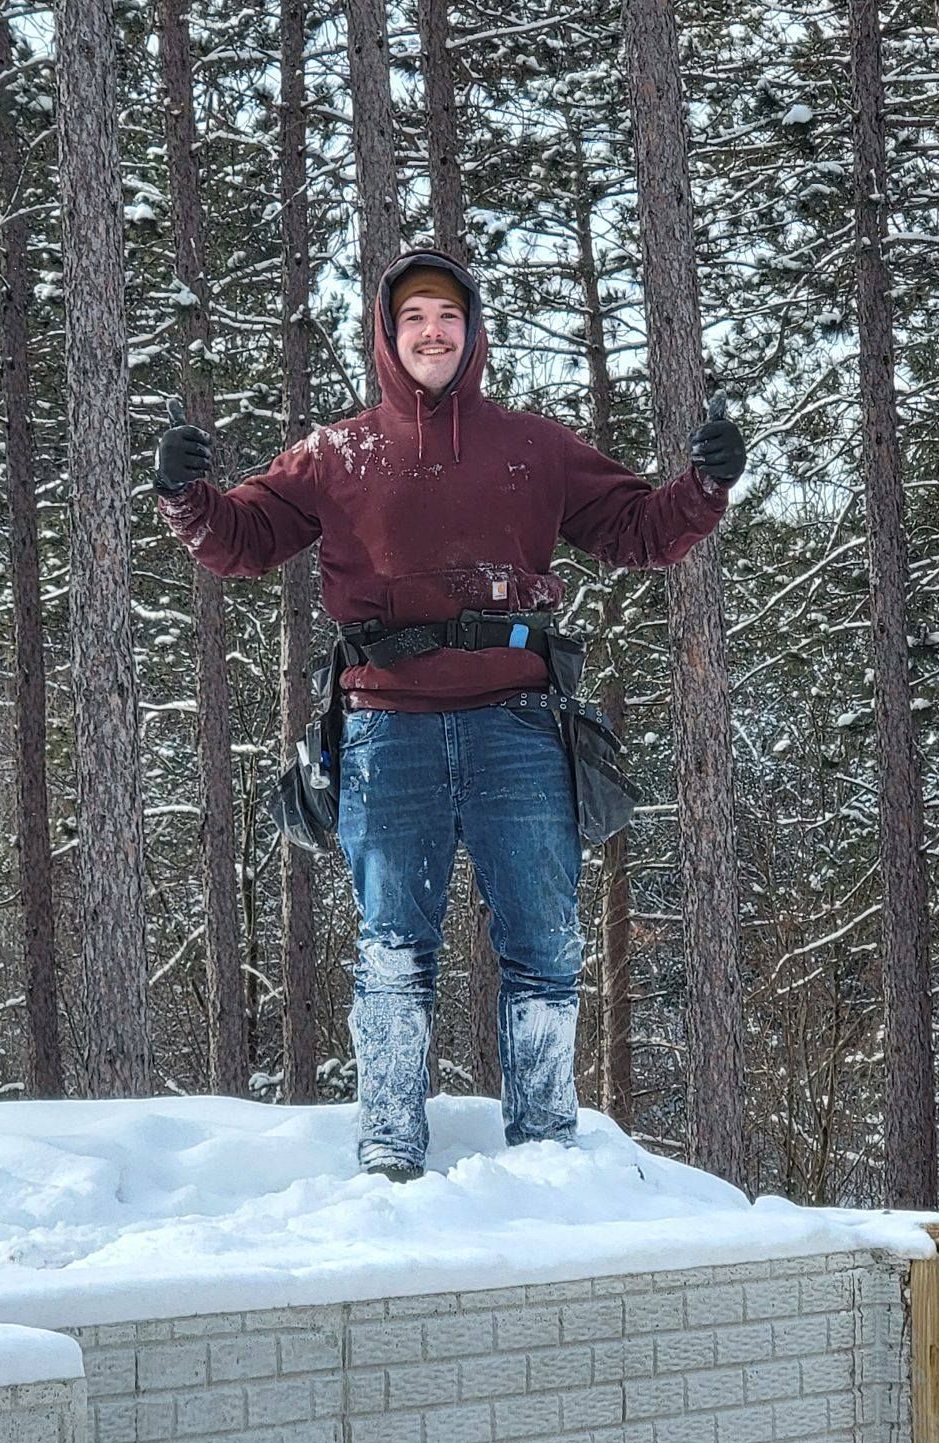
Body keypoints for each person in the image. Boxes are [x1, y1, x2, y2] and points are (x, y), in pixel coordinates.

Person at [155, 247, 745, 1181]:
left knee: (543, 946)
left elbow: (639, 529)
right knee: (394, 947)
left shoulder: (533, 447)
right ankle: (390, 1152)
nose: (433, 333)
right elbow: (242, 540)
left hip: (516, 725)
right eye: (414, 320)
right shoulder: (337, 452)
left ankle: (548, 1149)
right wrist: (187, 495)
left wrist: (706, 484)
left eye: (449, 318)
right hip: (388, 731)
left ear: (473, 336)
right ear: (389, 338)